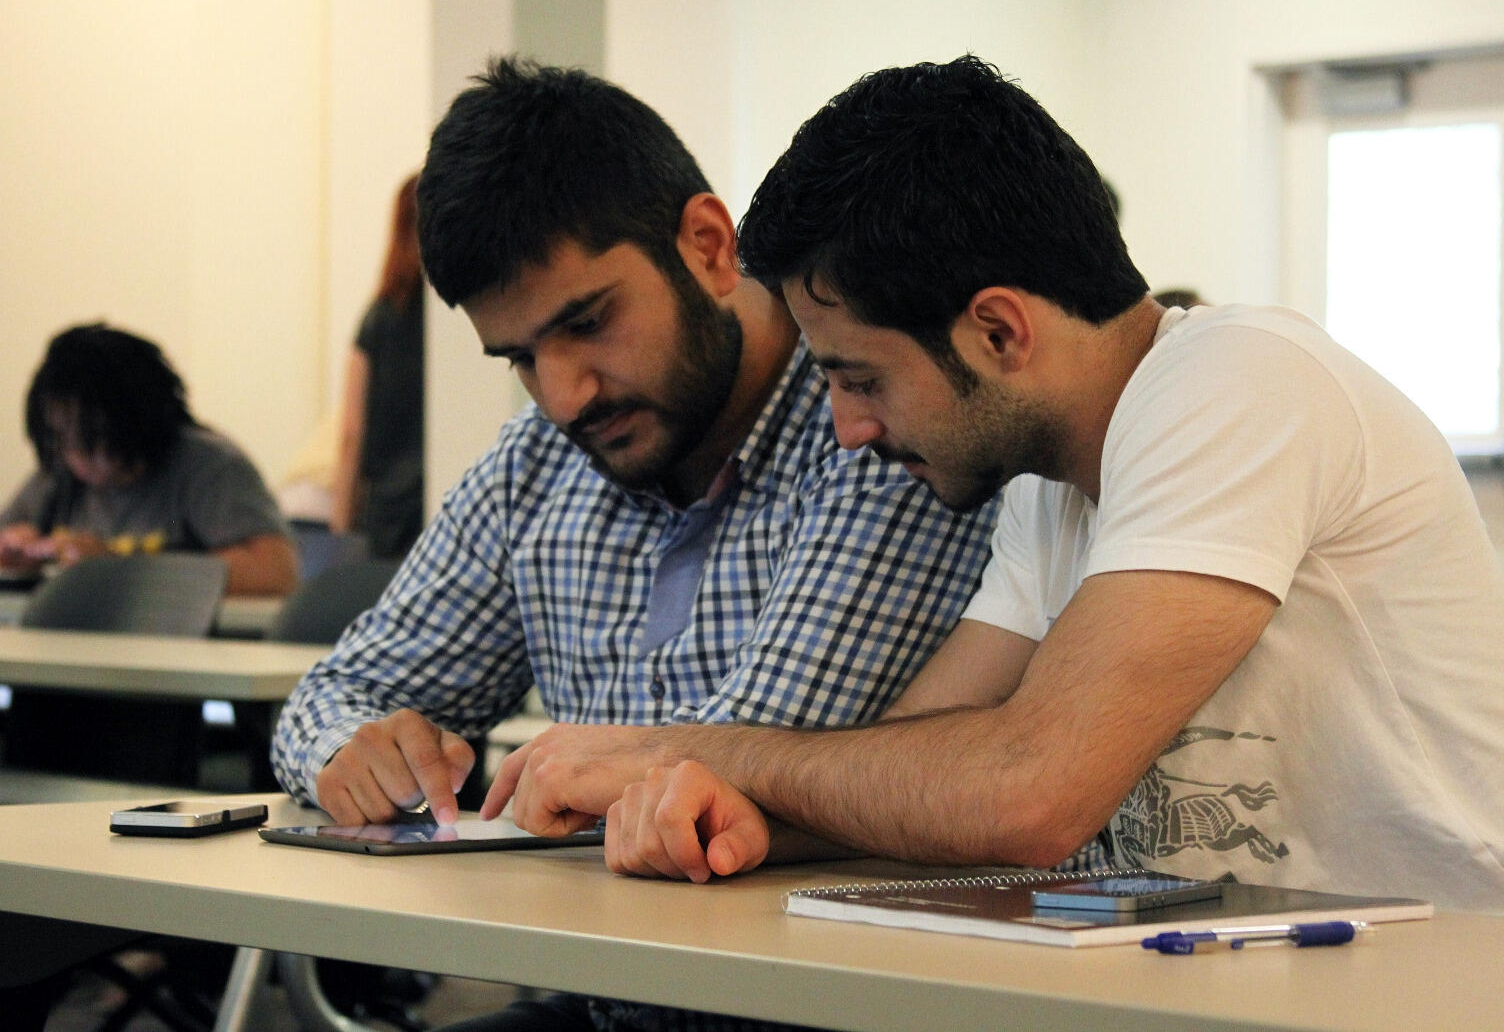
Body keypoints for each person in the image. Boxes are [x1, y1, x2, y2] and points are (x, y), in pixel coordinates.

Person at [505, 55, 1504, 926]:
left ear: (997, 329)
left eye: (859, 376)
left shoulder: (1242, 382)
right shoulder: (1049, 486)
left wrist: (682, 752)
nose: (846, 428)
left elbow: (1028, 792)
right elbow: (928, 755)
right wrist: (733, 813)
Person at [269, 59, 997, 1031]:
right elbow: (328, 696)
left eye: (587, 321)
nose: (565, 393)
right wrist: (354, 754)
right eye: (521, 356)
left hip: (819, 1007)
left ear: (706, 244)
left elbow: (746, 765)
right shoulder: (542, 462)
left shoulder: (869, 422)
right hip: (624, 1002)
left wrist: (598, 771)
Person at [0, 322, 296, 595]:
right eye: (64, 441)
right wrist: (15, 551)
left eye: (97, 438)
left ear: (139, 419)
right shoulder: (59, 473)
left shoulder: (208, 466)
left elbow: (274, 574)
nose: (82, 459)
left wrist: (116, 568)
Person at [329, 173, 426, 560]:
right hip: (440, 504)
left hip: (386, 516)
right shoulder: (460, 321)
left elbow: (351, 431)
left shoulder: (379, 317)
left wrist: (340, 526)